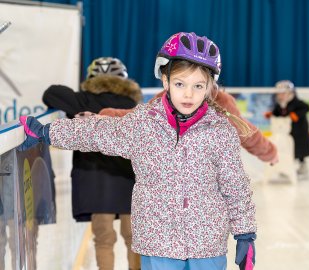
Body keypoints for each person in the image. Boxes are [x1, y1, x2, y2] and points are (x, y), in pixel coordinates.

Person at [19, 32, 257, 270]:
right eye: (180, 84)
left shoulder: (220, 130)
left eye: (198, 86)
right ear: (165, 81)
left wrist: (245, 234)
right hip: (158, 244)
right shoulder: (143, 124)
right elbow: (97, 133)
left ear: (209, 88)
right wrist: (46, 132)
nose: (188, 94)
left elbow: (234, 185)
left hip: (207, 245)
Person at [42, 57, 143, 270]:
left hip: (95, 178)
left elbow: (51, 93)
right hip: (129, 178)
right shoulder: (132, 105)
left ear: (92, 79)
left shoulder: (83, 100)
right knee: (134, 239)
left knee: (104, 239)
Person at [99, 88, 279, 165]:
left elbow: (246, 133)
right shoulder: (168, 97)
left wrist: (269, 153)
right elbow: (139, 116)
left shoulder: (221, 101)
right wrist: (107, 116)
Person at [264, 80, 309, 177]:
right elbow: (277, 112)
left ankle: (303, 166)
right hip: (287, 133)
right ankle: (287, 168)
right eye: (279, 94)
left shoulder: (297, 103)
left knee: (300, 151)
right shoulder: (280, 104)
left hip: (299, 132)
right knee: (288, 151)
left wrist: (296, 115)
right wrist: (271, 114)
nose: (281, 96)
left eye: (283, 93)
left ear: (290, 93)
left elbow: (306, 107)